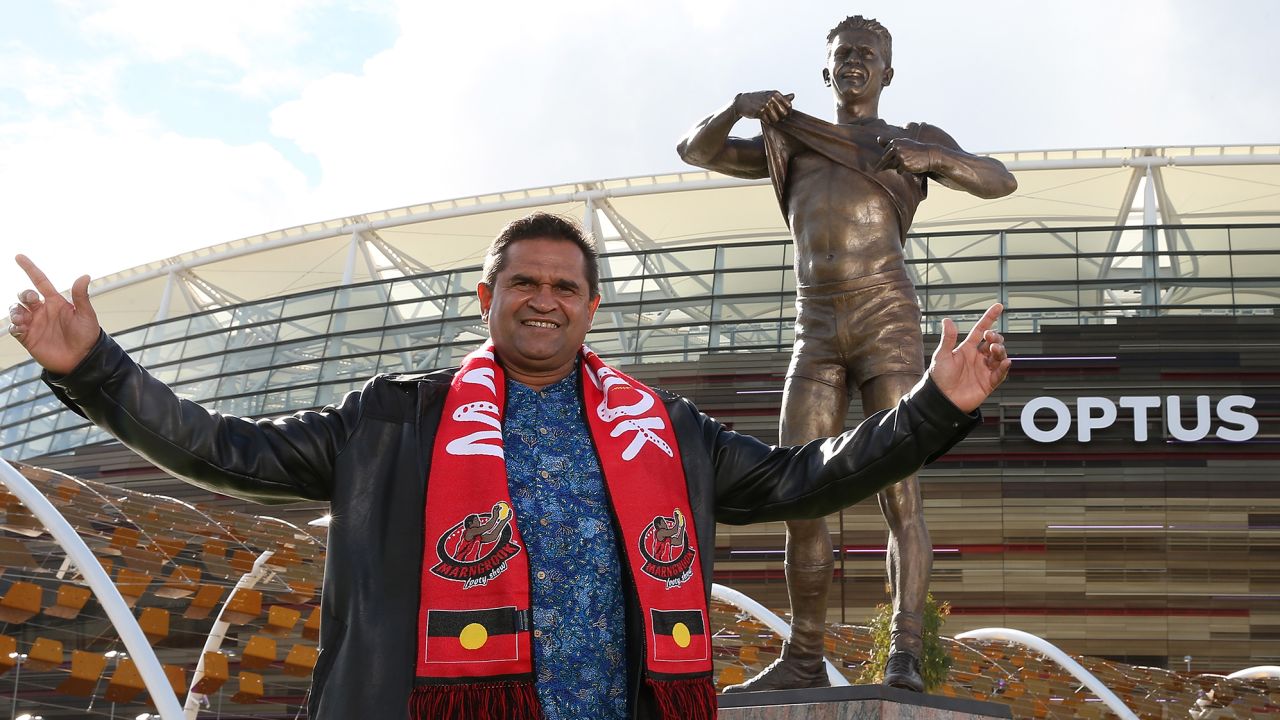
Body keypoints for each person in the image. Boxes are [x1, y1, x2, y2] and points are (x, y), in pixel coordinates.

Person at [7, 211, 1009, 719]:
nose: (543, 299)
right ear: (483, 296)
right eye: (522, 282)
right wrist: (93, 367)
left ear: (590, 307)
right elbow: (221, 452)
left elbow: (808, 477)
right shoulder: (394, 422)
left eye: (564, 287)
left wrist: (932, 404)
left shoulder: (664, 429)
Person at [676, 15, 1017, 693]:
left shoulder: (909, 139)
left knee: (901, 493)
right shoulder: (792, 137)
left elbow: (998, 179)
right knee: (798, 491)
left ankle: (906, 656)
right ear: (826, 72)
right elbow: (696, 150)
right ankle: (804, 655)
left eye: (868, 55)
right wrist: (739, 107)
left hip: (885, 316)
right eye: (843, 55)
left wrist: (935, 161)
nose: (855, 62)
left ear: (887, 73)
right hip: (815, 324)